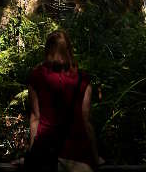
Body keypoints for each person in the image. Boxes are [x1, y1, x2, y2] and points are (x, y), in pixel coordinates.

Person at [27, 30, 103, 172]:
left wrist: (32, 153)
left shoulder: (36, 76)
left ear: (47, 50)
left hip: (44, 155)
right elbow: (87, 121)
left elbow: (35, 118)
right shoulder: (83, 79)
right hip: (78, 156)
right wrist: (95, 156)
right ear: (69, 49)